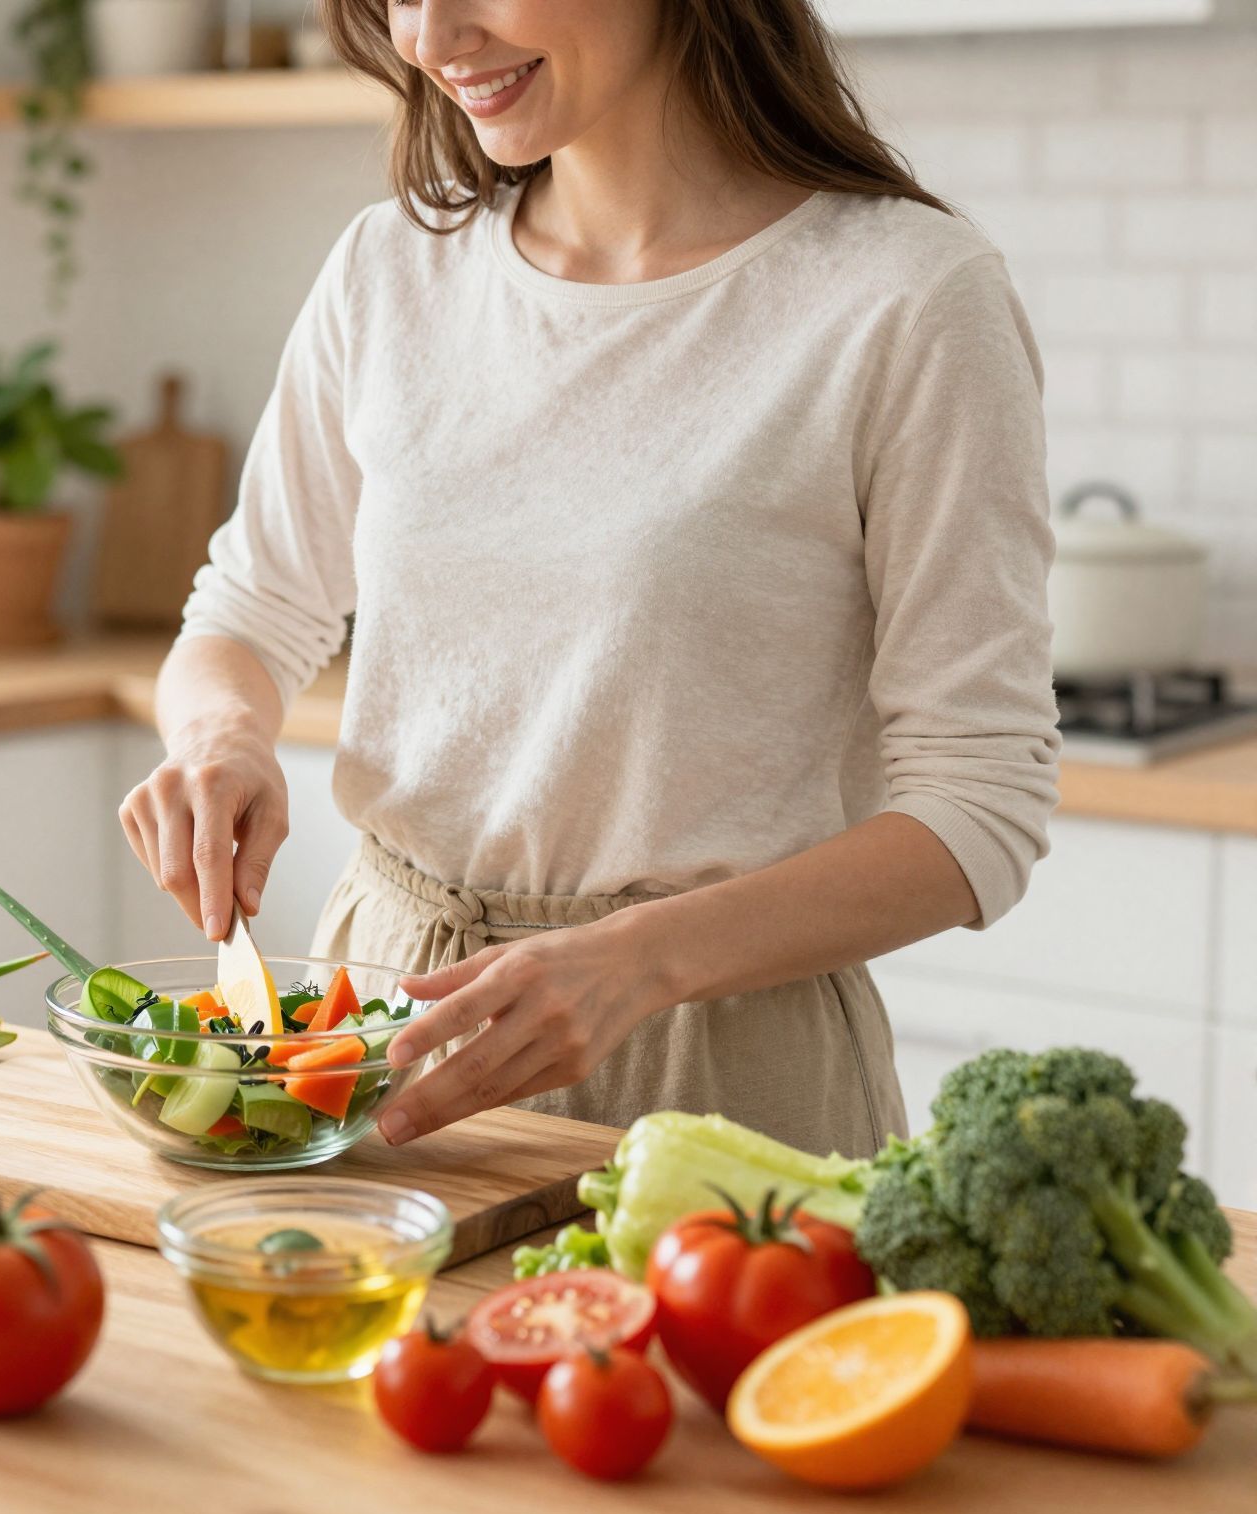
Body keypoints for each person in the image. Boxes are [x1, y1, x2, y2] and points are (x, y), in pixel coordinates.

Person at [119, 0, 1058, 1158]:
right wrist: (221, 739)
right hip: (377, 1035)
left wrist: (641, 961)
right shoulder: (388, 271)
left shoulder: (905, 297)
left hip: (715, 1076)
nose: (426, 36)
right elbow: (248, 612)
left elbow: (978, 806)